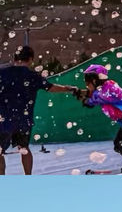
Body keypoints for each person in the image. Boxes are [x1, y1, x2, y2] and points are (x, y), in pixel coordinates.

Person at [0, 45, 78, 175]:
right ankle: (28, 177)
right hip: (23, 120)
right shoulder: (33, 76)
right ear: (31, 59)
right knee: (24, 148)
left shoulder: (2, 73)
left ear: (14, 58)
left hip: (3, 120)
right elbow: (52, 88)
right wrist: (68, 88)